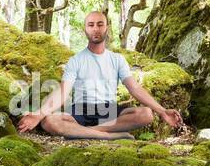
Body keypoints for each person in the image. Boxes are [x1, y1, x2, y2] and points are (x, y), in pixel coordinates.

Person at [16, 10, 185, 139]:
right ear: (85, 30)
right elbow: (62, 92)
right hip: (80, 111)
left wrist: (162, 111)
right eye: (91, 25)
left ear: (106, 28)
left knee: (146, 114)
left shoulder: (117, 59)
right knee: (49, 121)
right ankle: (108, 136)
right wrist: (38, 114)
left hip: (108, 111)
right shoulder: (76, 60)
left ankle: (86, 133)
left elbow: (134, 88)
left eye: (99, 24)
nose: (95, 29)